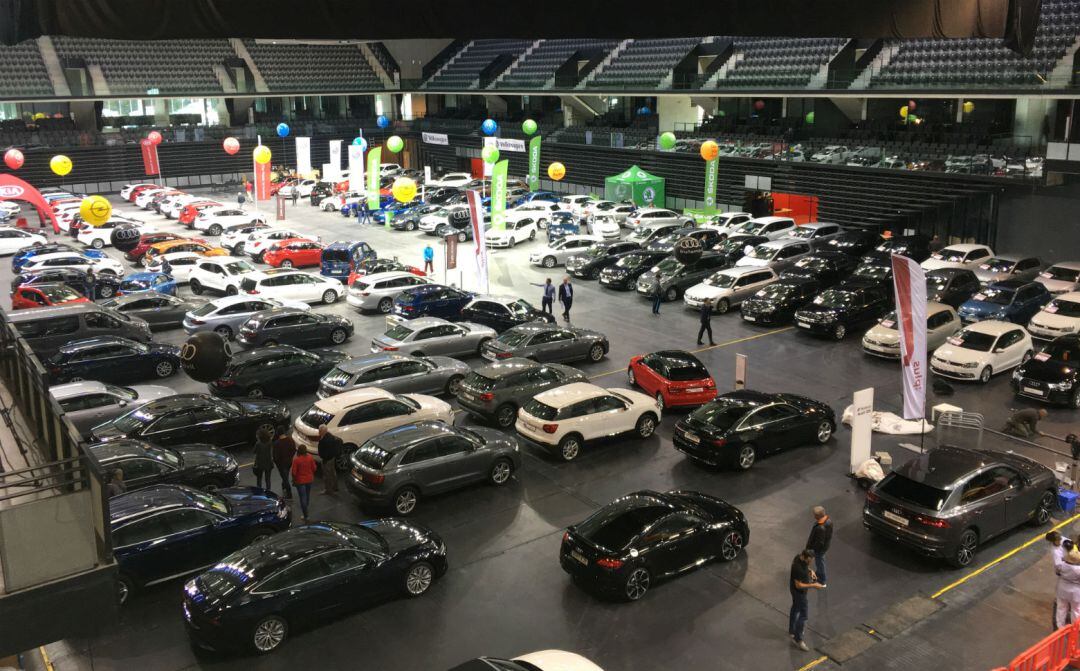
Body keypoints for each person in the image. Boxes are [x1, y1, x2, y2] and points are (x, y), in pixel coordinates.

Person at [789, 549, 824, 651]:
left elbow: (805, 567)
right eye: (809, 560)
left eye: (811, 560)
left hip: (794, 591)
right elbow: (798, 585)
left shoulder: (799, 558)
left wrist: (810, 571)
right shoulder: (797, 568)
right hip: (799, 593)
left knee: (795, 608)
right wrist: (813, 585)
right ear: (804, 557)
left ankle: (792, 630)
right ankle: (798, 639)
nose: (810, 562)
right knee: (804, 615)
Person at [806, 506, 833, 588]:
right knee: (820, 562)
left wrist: (812, 552)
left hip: (819, 550)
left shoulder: (820, 528)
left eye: (814, 515)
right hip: (825, 547)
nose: (813, 516)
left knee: (820, 563)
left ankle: (822, 581)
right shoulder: (829, 521)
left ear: (817, 516)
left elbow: (819, 543)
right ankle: (819, 574)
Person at [290, 445, 317, 522]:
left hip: (300, 481)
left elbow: (294, 472)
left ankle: (306, 515)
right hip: (309, 479)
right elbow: (314, 468)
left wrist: (293, 480)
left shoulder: (296, 460)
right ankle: (306, 509)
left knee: (302, 498)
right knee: (307, 495)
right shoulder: (310, 457)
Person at [1057, 541, 1080, 629]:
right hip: (1075, 592)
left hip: (1062, 589)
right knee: (1076, 610)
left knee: (1061, 609)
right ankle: (1075, 628)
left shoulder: (1061, 565)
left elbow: (1057, 572)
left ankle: (1060, 628)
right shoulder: (1078, 570)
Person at [317, 424, 341, 494]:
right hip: (332, 458)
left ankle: (328, 490)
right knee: (333, 473)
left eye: (319, 430)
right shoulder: (330, 435)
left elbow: (325, 451)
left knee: (327, 475)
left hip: (327, 460)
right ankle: (335, 487)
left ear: (322, 431)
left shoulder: (324, 440)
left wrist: (324, 458)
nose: (318, 432)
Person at [272, 428, 296, 500]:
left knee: (285, 479)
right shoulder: (290, 440)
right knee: (285, 476)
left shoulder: (277, 444)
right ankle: (284, 487)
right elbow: (293, 450)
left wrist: (277, 463)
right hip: (289, 462)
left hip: (281, 465)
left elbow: (275, 456)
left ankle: (289, 494)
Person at [252, 427, 274, 492]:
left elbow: (254, 452)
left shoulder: (258, 443)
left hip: (259, 464)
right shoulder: (270, 442)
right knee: (267, 479)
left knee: (259, 479)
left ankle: (259, 492)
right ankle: (268, 492)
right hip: (268, 463)